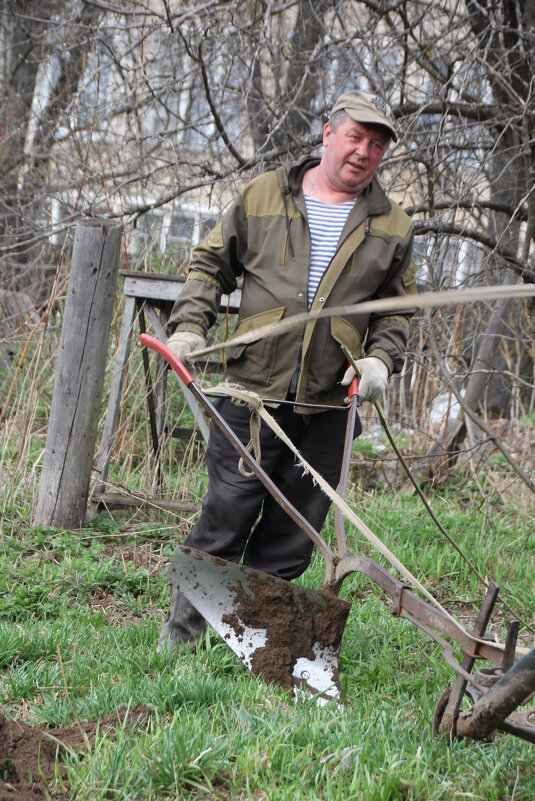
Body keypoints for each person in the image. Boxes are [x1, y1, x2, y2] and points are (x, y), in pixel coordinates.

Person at [158, 89, 417, 652]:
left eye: (376, 145)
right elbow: (209, 264)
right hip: (251, 394)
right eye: (355, 138)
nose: (363, 152)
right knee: (226, 515)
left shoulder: (392, 225)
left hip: (328, 405)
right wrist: (188, 327)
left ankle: (249, 645)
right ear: (328, 134)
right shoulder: (262, 196)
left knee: (294, 537)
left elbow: (396, 310)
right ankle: (180, 643)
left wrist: (379, 362)